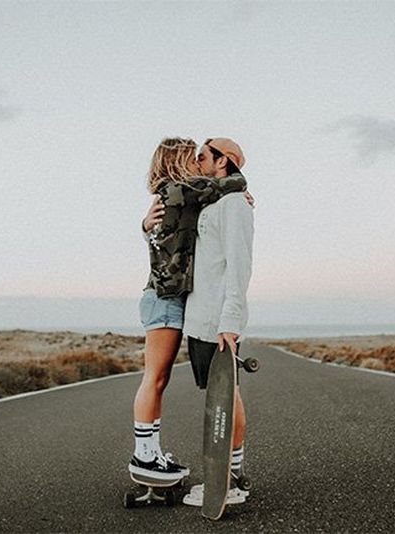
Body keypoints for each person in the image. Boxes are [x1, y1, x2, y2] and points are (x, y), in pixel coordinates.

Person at [129, 137, 249, 482]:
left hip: (171, 298)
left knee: (160, 377)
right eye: (192, 157)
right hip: (164, 299)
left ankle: (149, 454)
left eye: (202, 157)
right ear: (177, 161)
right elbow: (225, 184)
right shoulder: (177, 193)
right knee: (156, 377)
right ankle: (145, 456)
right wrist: (238, 187)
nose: (198, 162)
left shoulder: (177, 198)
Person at [180, 138, 254, 507]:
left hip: (217, 320)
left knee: (226, 398)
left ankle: (230, 480)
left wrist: (230, 320)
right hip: (200, 317)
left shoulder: (235, 206)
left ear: (223, 162)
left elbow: (239, 268)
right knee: (217, 399)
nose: (197, 161)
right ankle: (227, 477)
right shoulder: (214, 202)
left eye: (203, 156)